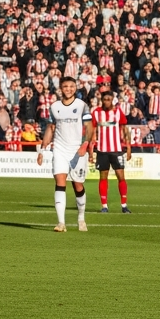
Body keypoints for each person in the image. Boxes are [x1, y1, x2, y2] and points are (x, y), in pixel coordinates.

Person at [36, 76, 93, 232]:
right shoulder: (54, 107)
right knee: (60, 182)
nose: (68, 89)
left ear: (75, 88)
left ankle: (81, 218)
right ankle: (61, 223)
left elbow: (89, 128)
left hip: (77, 150)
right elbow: (50, 128)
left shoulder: (82, 106)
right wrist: (42, 149)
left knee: (77, 185)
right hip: (60, 148)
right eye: (65, 86)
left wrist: (85, 145)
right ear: (61, 88)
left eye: (71, 86)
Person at [89, 90, 133, 214]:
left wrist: (129, 147)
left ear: (112, 99)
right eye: (105, 99)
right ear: (101, 100)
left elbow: (125, 130)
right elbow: (92, 133)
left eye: (109, 99)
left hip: (117, 150)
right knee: (103, 177)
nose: (107, 101)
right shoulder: (96, 113)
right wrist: (91, 151)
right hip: (102, 151)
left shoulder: (118, 112)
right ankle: (104, 206)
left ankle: (124, 206)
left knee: (121, 177)